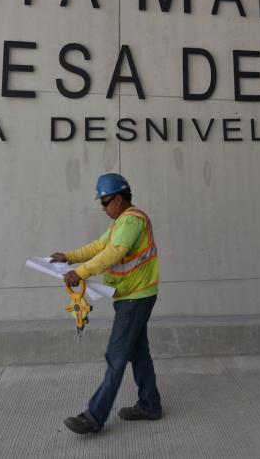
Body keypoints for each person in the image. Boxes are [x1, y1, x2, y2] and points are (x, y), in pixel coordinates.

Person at [50, 172, 162, 435]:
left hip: (135, 297)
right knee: (138, 353)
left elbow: (112, 254)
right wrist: (68, 257)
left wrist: (80, 272)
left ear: (119, 199)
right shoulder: (120, 222)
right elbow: (99, 246)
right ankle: (150, 405)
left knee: (116, 355)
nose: (102, 208)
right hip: (131, 295)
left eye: (104, 202)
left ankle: (94, 417)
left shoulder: (132, 220)